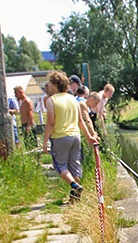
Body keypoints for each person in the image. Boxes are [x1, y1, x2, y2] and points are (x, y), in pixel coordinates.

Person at [42, 71, 99, 200]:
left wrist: (45, 141)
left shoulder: (51, 101)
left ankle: (74, 185)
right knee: (74, 166)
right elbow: (80, 120)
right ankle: (75, 195)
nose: (48, 86)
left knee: (60, 165)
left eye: (50, 83)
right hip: (75, 136)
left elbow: (50, 122)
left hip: (60, 137)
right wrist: (89, 136)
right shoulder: (73, 100)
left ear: (56, 85)